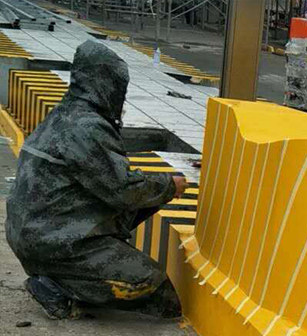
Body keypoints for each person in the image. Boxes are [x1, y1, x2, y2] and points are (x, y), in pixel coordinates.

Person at [5, 40, 187, 320]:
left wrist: (159, 191)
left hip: (35, 233)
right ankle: (57, 287)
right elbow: (123, 190)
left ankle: (70, 272)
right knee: (152, 285)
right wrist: (169, 185)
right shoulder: (86, 127)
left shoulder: (66, 112)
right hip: (53, 241)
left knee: (149, 198)